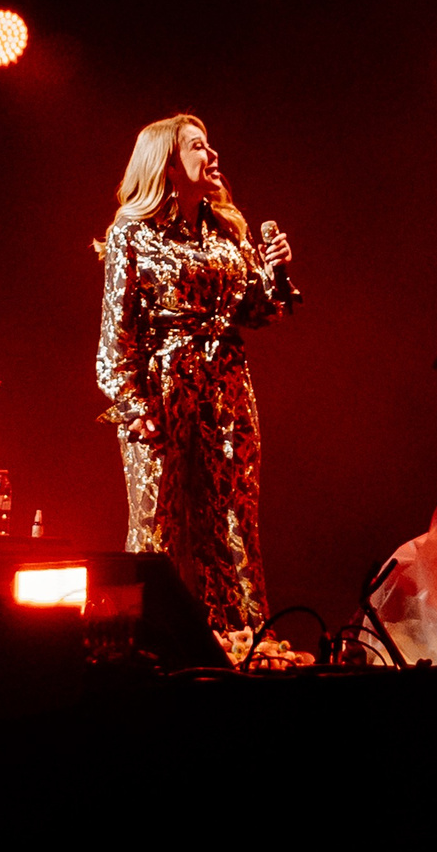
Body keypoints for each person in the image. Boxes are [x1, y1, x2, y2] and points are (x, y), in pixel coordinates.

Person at [96, 114, 297, 635]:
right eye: (198, 147)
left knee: (231, 522)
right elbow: (115, 338)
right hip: (163, 396)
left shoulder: (227, 230)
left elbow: (257, 313)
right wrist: (138, 412)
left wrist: (273, 274)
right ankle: (140, 644)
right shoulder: (131, 235)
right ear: (166, 161)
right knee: (159, 527)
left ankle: (240, 640)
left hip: (228, 392)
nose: (212, 157)